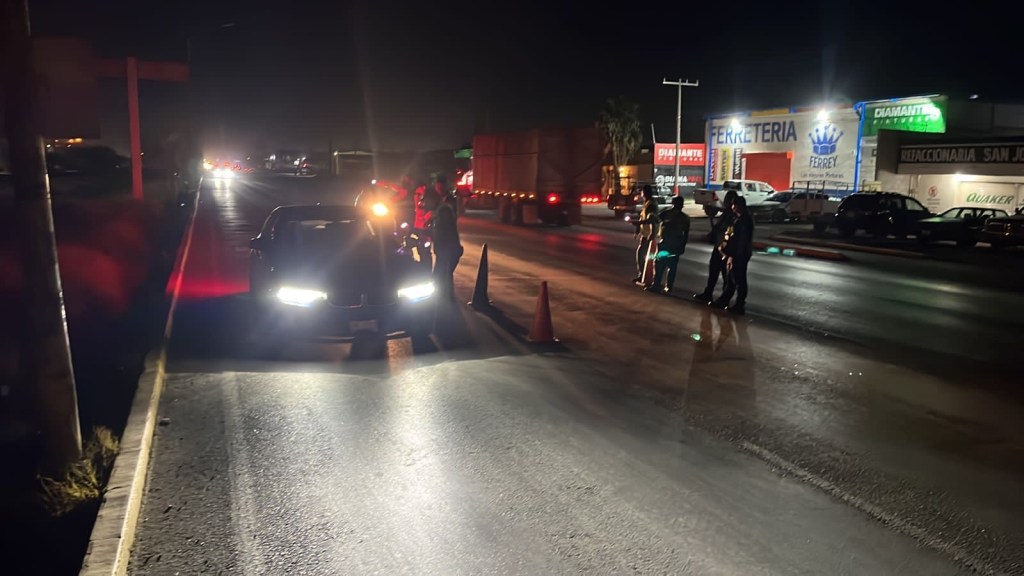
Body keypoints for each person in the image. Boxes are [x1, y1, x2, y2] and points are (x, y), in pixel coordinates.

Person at [693, 189, 738, 302]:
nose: (725, 201)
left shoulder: (733, 216)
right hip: (719, 246)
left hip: (727, 249)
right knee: (714, 271)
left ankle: (724, 298)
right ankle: (709, 293)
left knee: (726, 275)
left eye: (728, 199)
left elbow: (729, 231)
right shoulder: (726, 214)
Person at [711, 195, 754, 314]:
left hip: (739, 254)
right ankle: (725, 300)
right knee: (731, 279)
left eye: (734, 205)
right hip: (735, 253)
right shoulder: (737, 219)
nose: (732, 207)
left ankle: (739, 304)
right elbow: (730, 235)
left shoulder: (743, 221)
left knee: (739, 279)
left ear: (738, 206)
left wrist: (733, 255)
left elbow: (740, 240)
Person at [424, 184, 463, 302]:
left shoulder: (444, 210)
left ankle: (445, 303)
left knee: (441, 277)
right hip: (445, 251)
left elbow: (443, 231)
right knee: (441, 278)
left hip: (449, 250)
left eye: (427, 200)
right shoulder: (438, 211)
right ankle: (445, 301)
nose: (425, 204)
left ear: (433, 199)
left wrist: (426, 231)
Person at [648, 195, 690, 294]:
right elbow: (686, 234)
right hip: (675, 244)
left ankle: (657, 285)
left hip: (666, 243)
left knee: (660, 265)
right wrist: (683, 245)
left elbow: (656, 220)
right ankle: (668, 287)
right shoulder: (684, 218)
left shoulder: (667, 213)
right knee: (671, 267)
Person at [633, 185, 660, 285]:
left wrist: (651, 235)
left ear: (644, 193)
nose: (640, 193)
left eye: (641, 191)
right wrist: (637, 230)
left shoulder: (650, 205)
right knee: (644, 255)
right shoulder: (647, 203)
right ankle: (645, 275)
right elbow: (642, 218)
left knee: (642, 255)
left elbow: (651, 220)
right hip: (646, 234)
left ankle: (645, 276)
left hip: (649, 235)